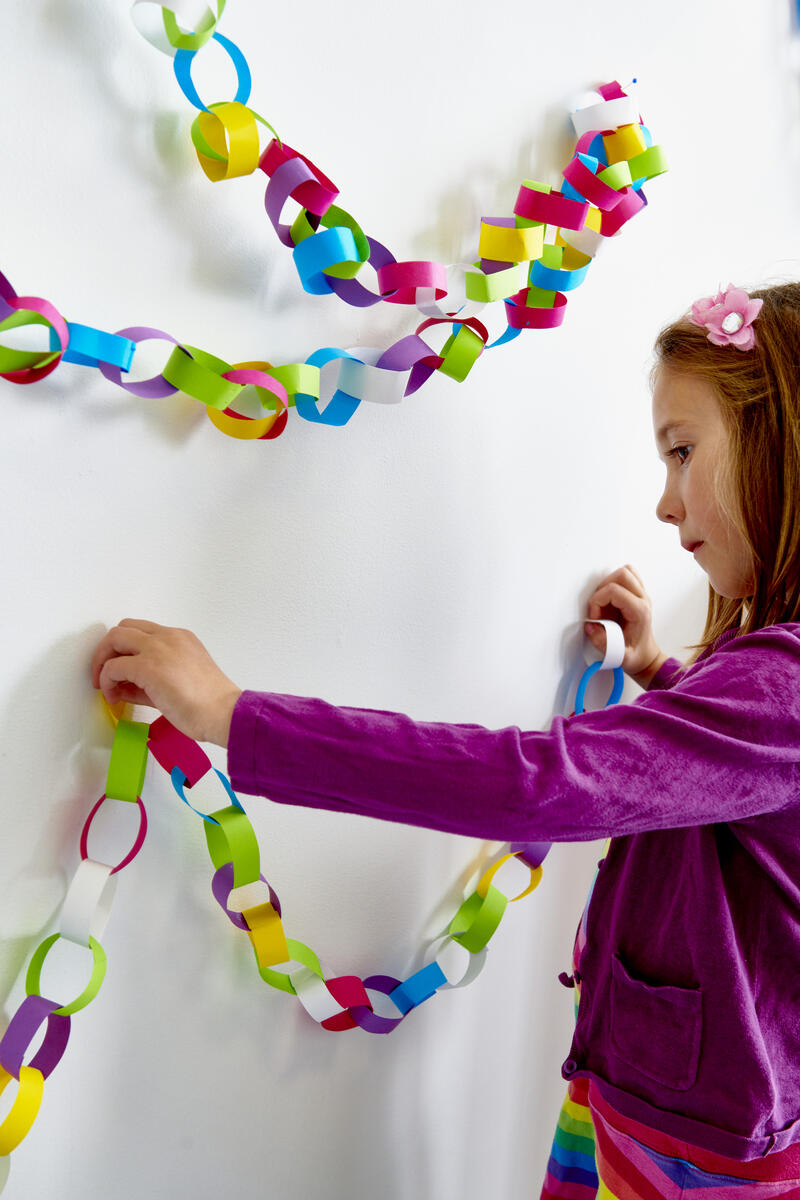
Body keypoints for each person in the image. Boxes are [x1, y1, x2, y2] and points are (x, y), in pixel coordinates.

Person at [91, 282, 800, 1199]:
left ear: (781, 442)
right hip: (661, 1100)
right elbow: (746, 778)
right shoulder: (768, 678)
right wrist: (660, 672)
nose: (665, 505)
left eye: (682, 451)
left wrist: (234, 716)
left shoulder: (784, 682)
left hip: (702, 1150)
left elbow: (536, 783)